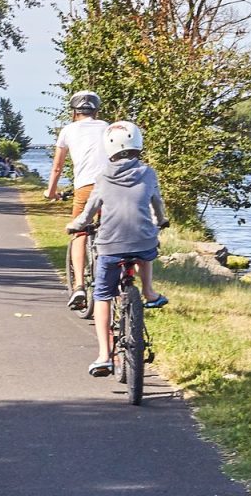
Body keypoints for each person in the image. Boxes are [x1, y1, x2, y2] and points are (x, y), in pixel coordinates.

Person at [66, 120, 168, 377]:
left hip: (111, 245)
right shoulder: (148, 173)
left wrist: (76, 225)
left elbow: (88, 213)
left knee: (101, 295)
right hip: (144, 242)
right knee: (147, 248)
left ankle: (104, 356)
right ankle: (148, 291)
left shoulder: (102, 178)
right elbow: (157, 203)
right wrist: (161, 219)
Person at [45, 91, 109, 310]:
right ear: (96, 111)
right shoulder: (107, 127)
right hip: (112, 186)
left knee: (79, 233)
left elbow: (57, 167)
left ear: (74, 112)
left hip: (86, 187)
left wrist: (50, 192)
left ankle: (80, 286)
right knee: (112, 230)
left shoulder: (68, 131)